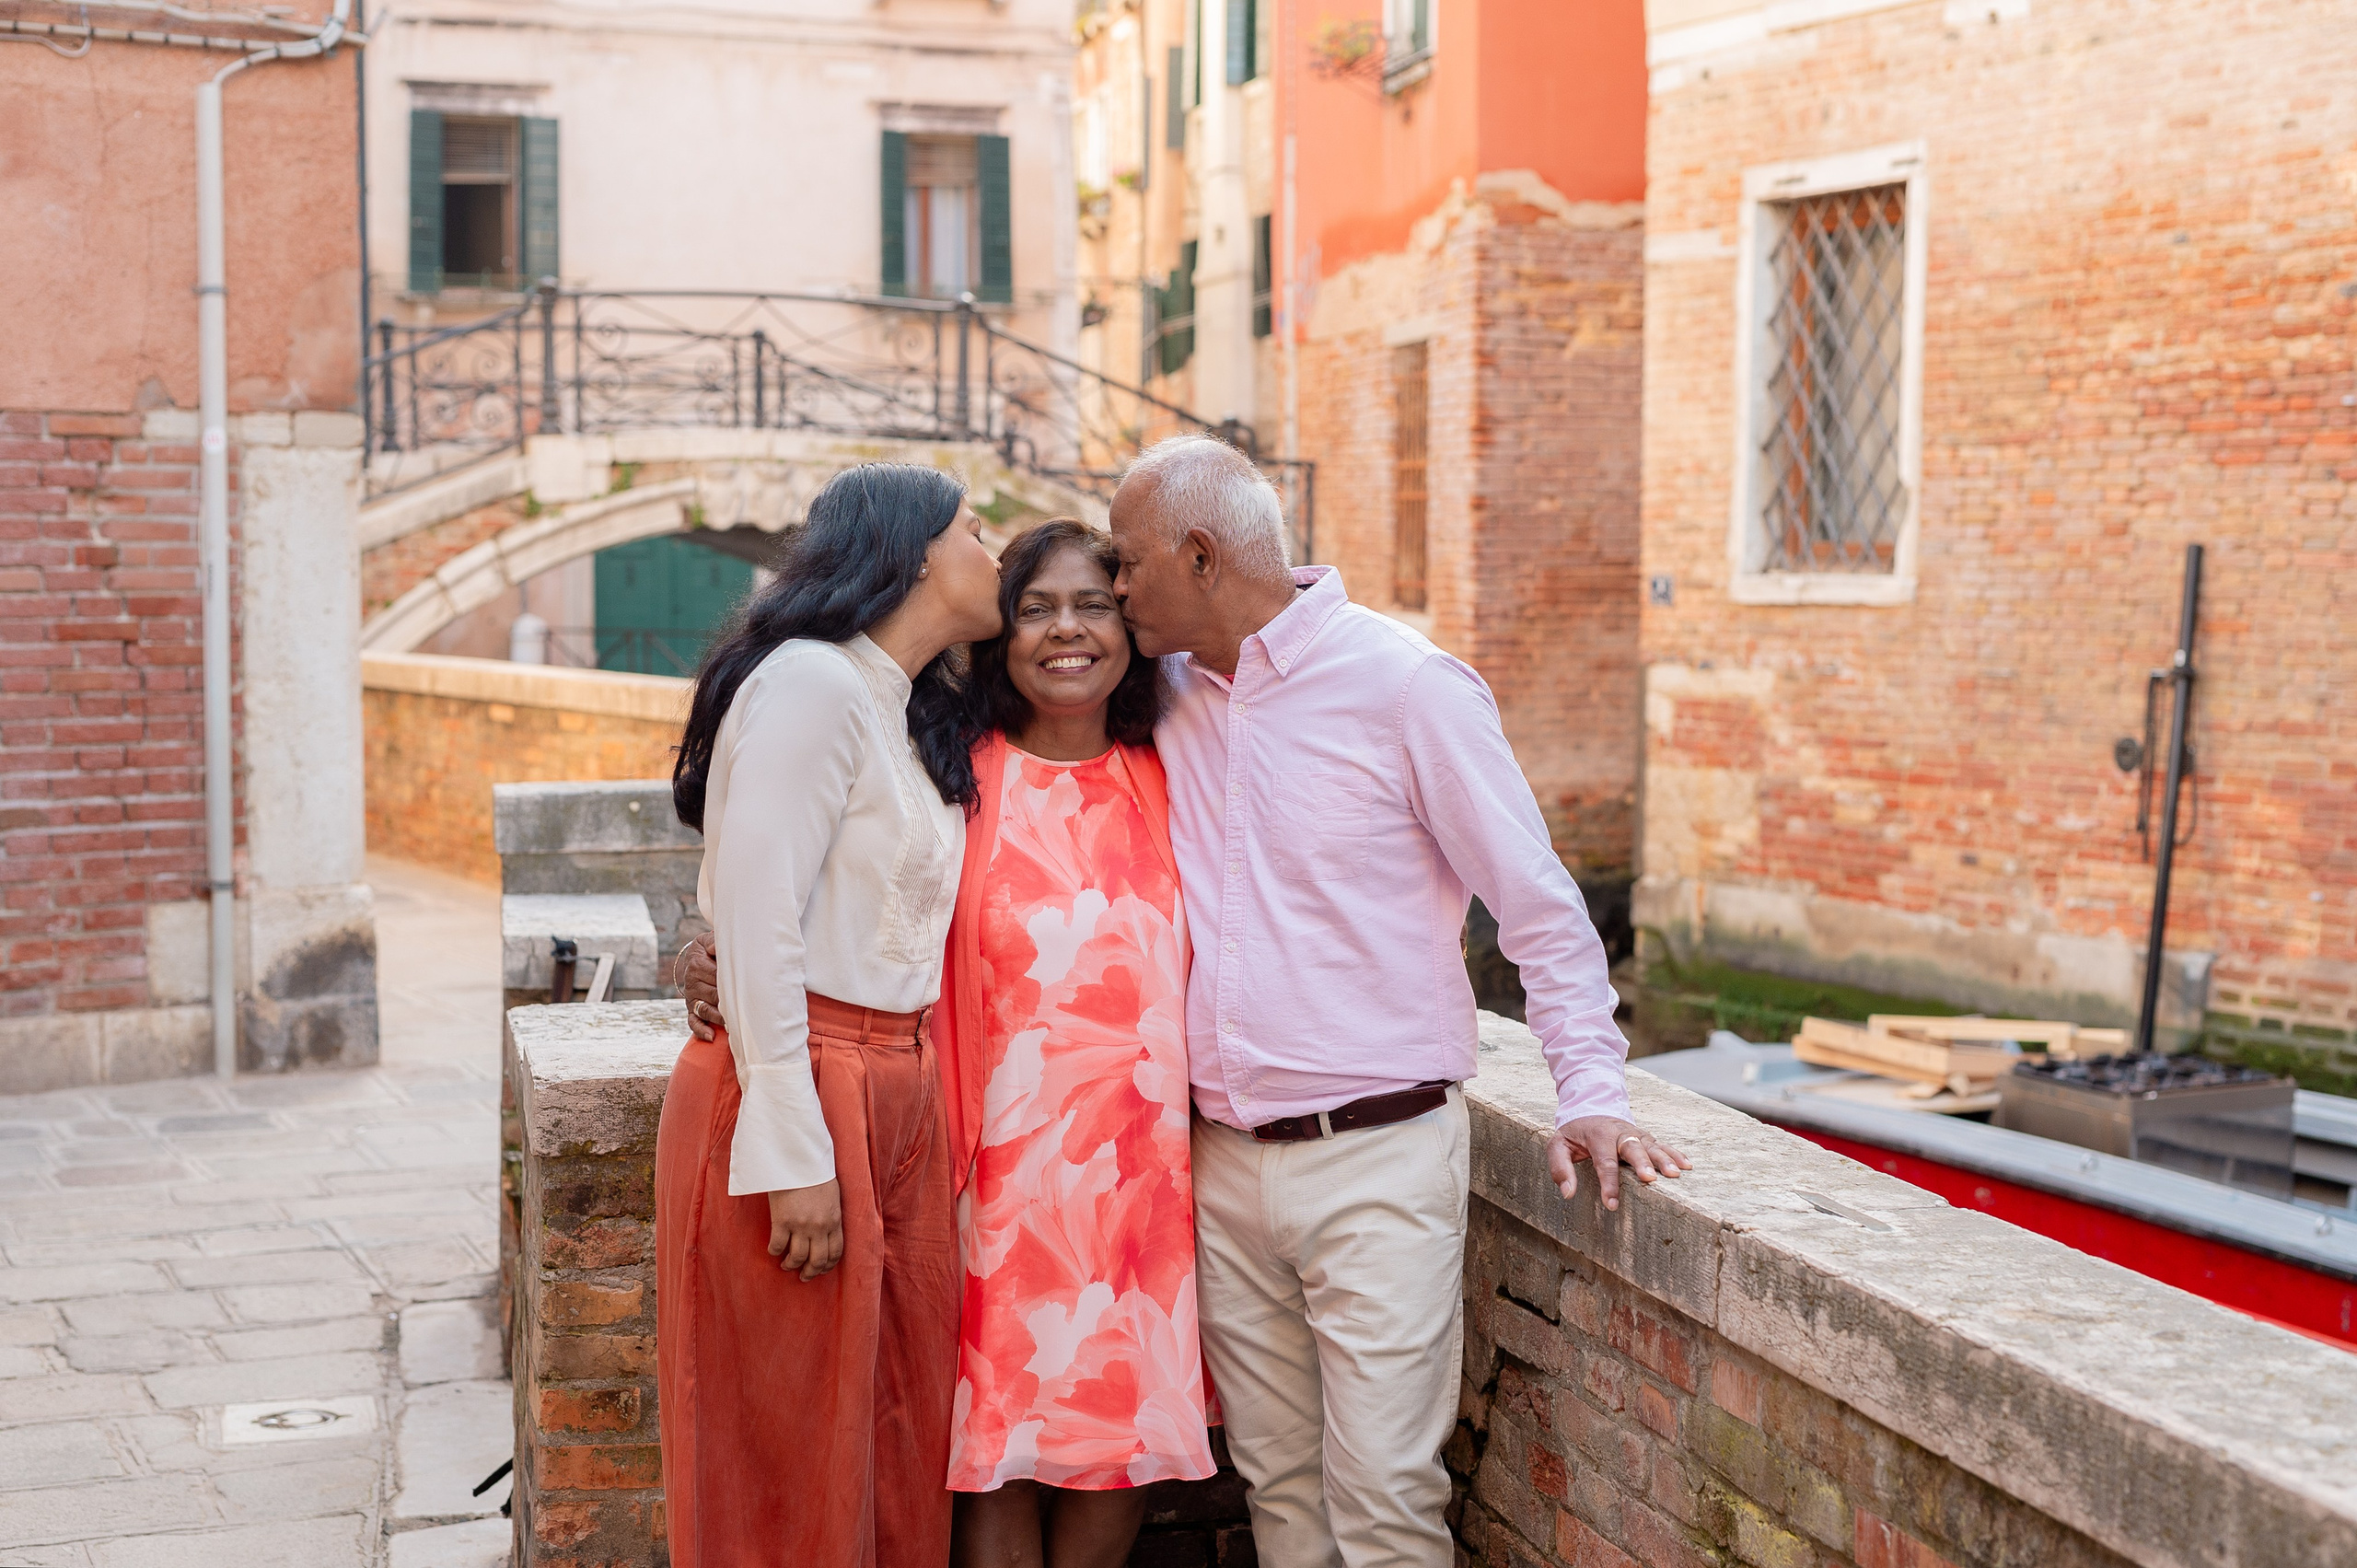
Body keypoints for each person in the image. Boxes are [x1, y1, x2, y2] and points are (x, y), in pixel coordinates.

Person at [1106, 434, 1690, 1568]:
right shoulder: (1163, 695)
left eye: (1129, 563)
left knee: (1382, 1508)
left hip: (1376, 1160)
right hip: (1217, 1163)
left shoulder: (1407, 685)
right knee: (1280, 1494)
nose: (1116, 586)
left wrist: (1592, 1089)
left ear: (1200, 553)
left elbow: (1538, 906)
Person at [680, 519, 1218, 1568]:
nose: (1066, 630)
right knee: (991, 1441)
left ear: (1129, 626)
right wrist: (714, 955)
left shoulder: (1174, 774)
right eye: (1034, 607)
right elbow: (829, 892)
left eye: (1093, 604)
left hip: (1143, 1185)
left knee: (1124, 1435)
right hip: (984, 1174)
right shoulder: (952, 777)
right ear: (1000, 635)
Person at [656, 461, 1002, 1568]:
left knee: (901, 1424)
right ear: (909, 555)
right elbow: (760, 918)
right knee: (786, 1440)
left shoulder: (905, 715)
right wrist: (793, 1147)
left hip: (900, 1089)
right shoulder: (810, 682)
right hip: (804, 1083)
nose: (995, 551)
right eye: (976, 530)